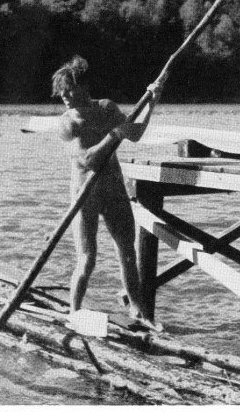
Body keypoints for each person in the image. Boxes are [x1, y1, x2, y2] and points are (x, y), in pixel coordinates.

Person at [52, 56, 163, 327]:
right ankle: (74, 313)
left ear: (84, 87)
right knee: (87, 259)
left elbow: (134, 133)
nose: (64, 95)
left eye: (69, 89)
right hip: (85, 194)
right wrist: (114, 135)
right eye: (61, 91)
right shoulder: (67, 123)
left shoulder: (106, 108)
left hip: (113, 188)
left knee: (128, 253)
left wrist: (152, 102)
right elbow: (88, 159)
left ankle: (137, 312)